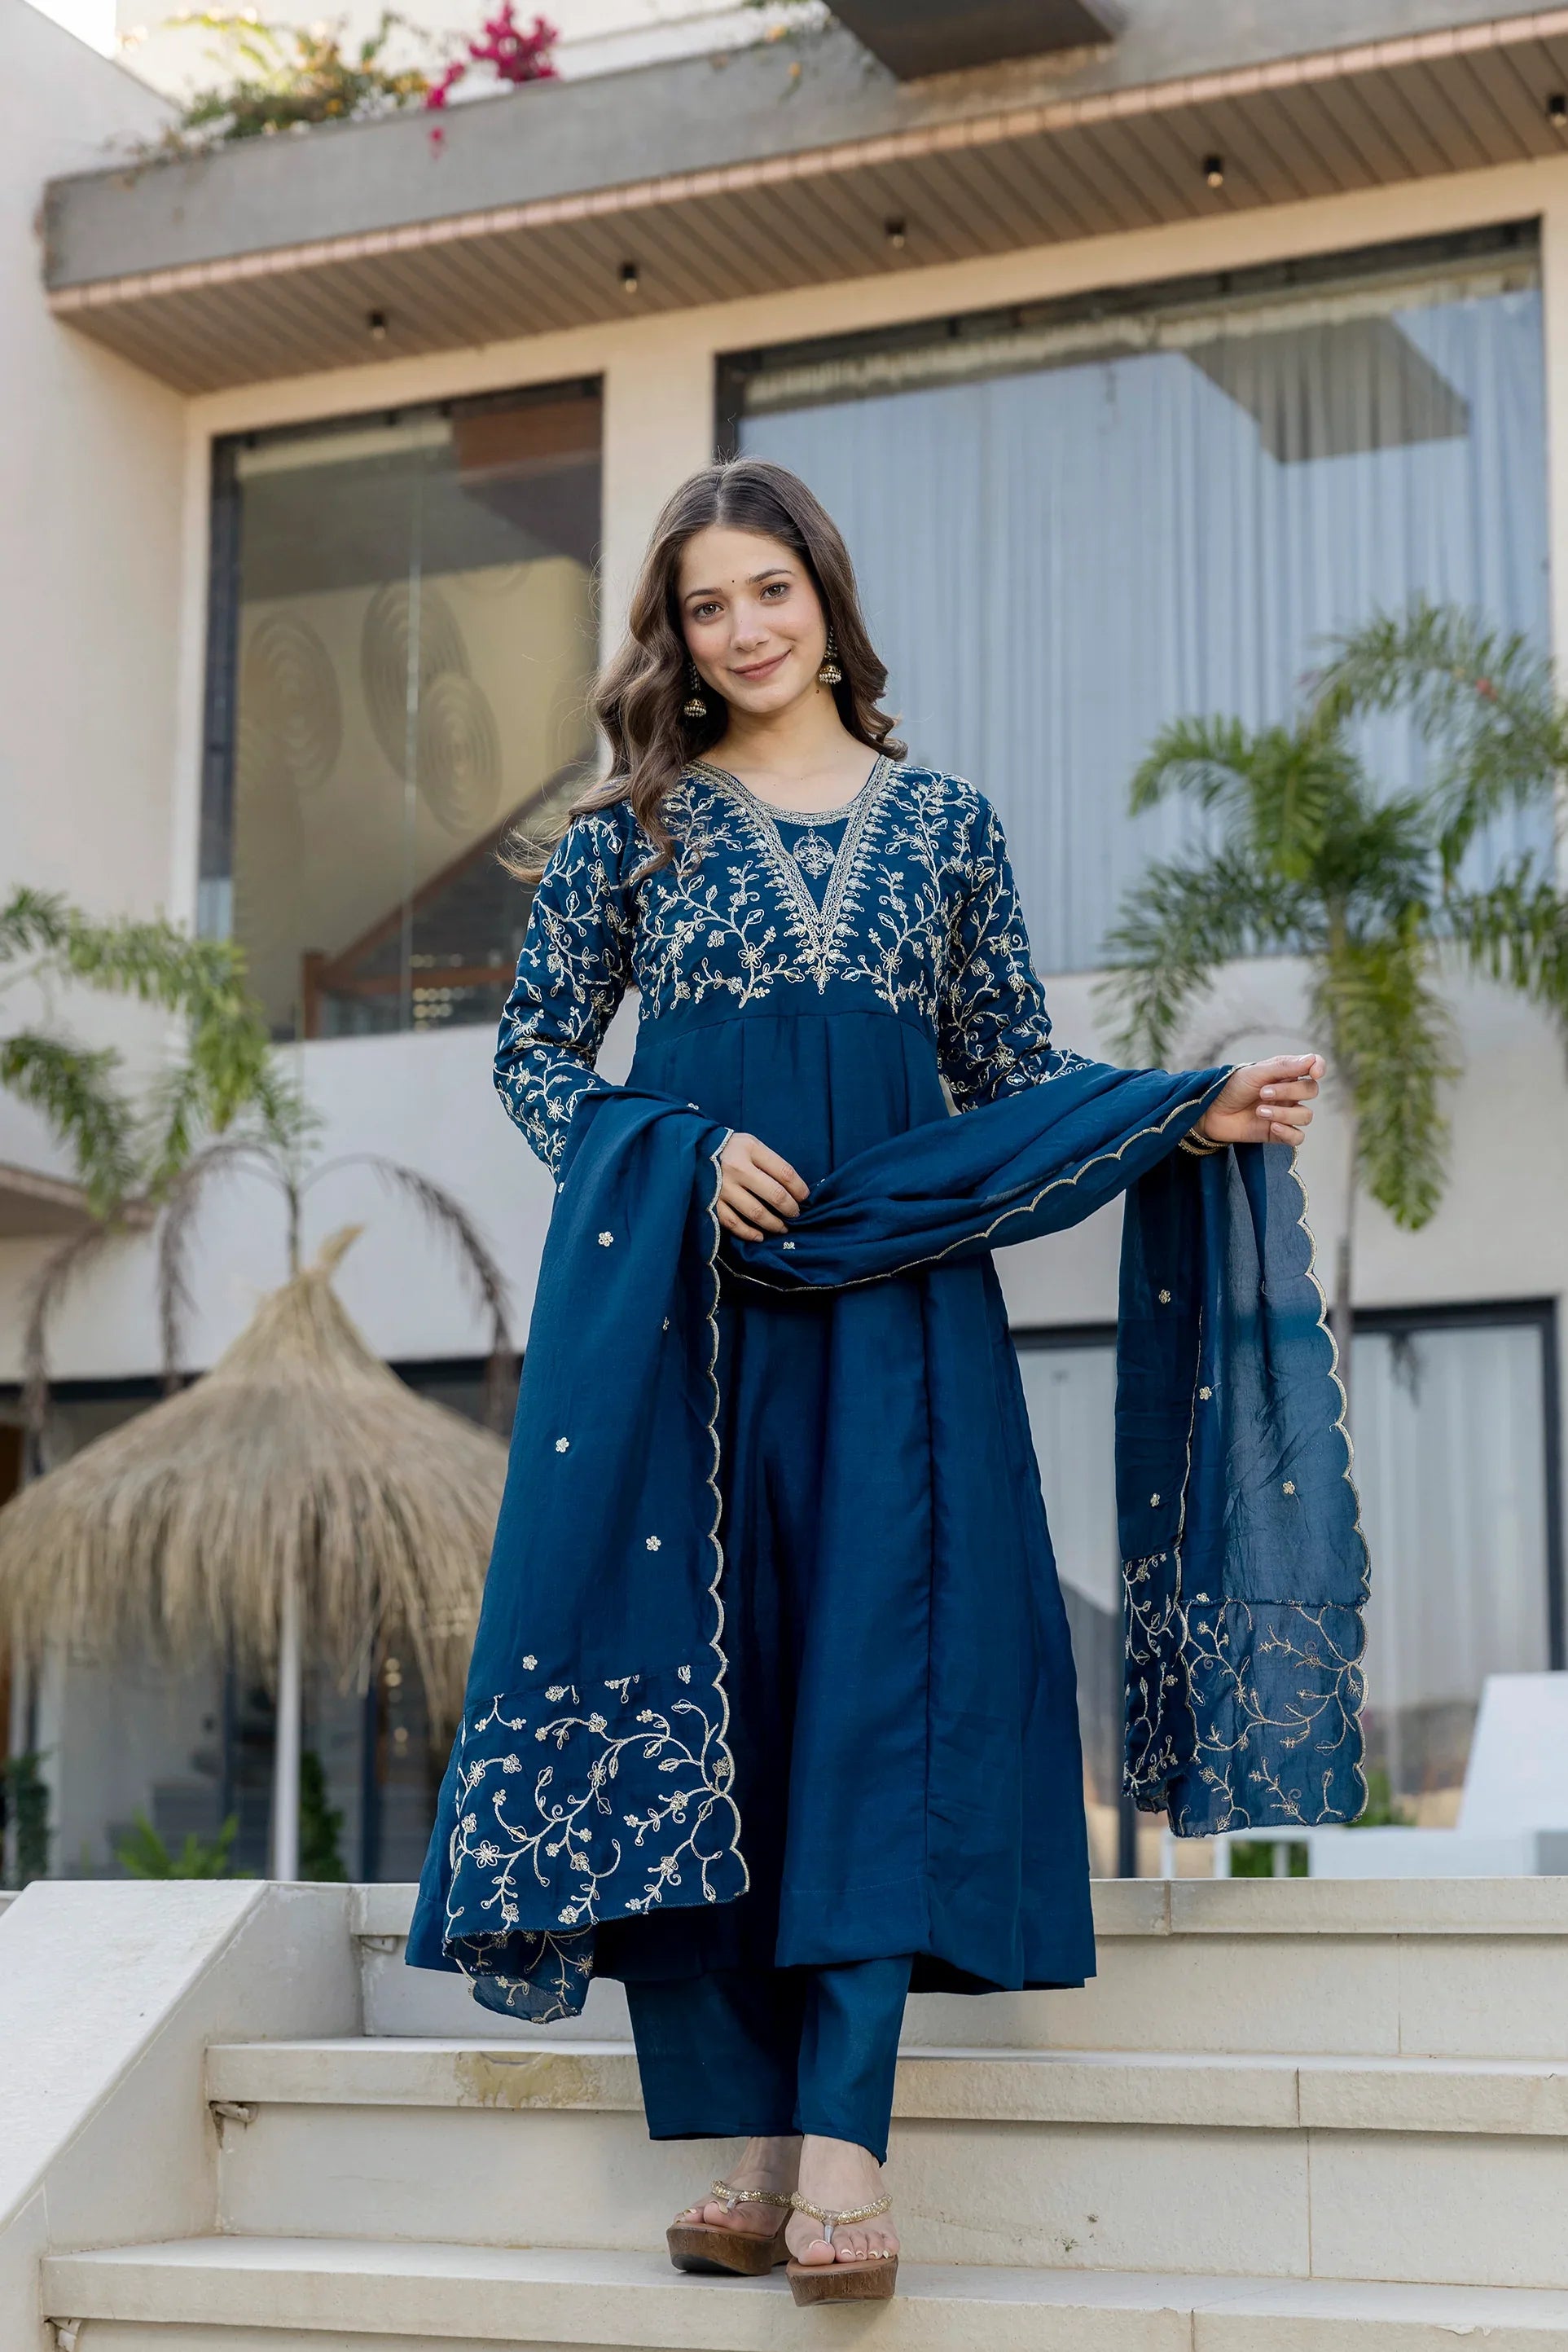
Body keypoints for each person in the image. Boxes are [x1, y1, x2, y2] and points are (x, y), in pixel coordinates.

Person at [408, 459, 1332, 2307]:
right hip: (694, 1326)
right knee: (717, 1691)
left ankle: (843, 2145)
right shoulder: (632, 838)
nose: (742, 630)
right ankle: (747, 2141)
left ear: (826, 594)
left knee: (874, 1704)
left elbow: (1006, 1072)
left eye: (769, 591)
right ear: (670, 636)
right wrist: (667, 1140)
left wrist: (1181, 1107)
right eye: (704, 606)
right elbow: (530, 1063)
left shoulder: (949, 827)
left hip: (903, 1320)